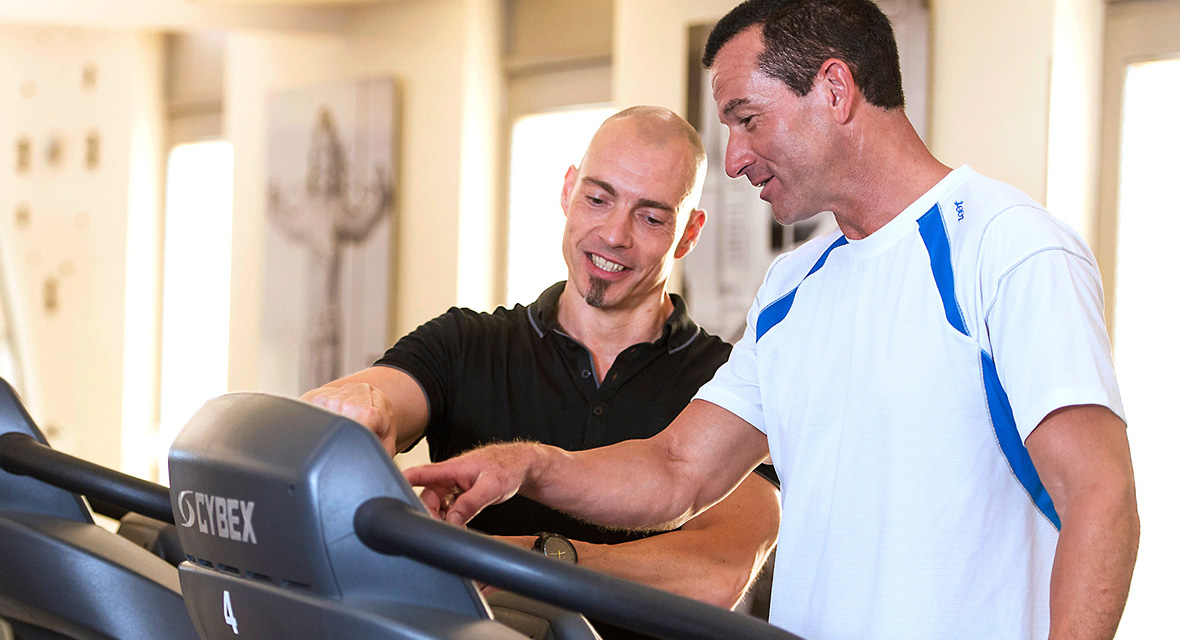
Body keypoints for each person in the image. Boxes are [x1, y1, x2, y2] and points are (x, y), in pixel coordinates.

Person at [403, 2, 1140, 639]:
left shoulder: (1008, 248)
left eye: (747, 120)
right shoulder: (795, 284)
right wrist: (525, 464)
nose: (733, 160)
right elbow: (678, 470)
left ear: (834, 88)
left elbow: (1099, 499)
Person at [301, 106, 782, 638]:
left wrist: (529, 562)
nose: (614, 234)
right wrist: (357, 404)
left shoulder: (729, 379)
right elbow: (377, 399)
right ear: (568, 192)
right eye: (598, 199)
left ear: (688, 232)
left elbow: (716, 570)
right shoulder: (466, 343)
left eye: (650, 217)